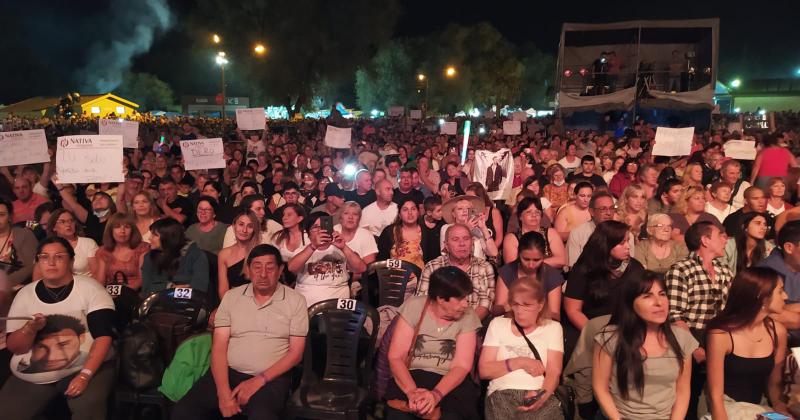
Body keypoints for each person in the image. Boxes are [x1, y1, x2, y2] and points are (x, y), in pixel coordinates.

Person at [171, 244, 308, 420]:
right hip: (228, 373)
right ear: (248, 270)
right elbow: (219, 347)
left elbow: (296, 354)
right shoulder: (231, 297)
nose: (263, 274)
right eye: (257, 267)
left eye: (270, 267)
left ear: (280, 269)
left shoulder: (295, 300)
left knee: (261, 415)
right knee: (183, 411)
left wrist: (258, 381)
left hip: (271, 378)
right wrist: (223, 393)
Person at [0, 237, 115, 420]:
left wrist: (85, 376)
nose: (51, 262)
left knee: (88, 406)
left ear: (71, 260)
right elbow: (16, 347)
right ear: (38, 261)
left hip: (85, 365)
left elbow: (104, 337)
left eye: (59, 257)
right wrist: (29, 329)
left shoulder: (91, 289)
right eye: (44, 257)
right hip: (34, 369)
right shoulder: (25, 294)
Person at [593, 271, 696, 420]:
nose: (659, 302)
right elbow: (600, 388)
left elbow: (683, 390)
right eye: (647, 296)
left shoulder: (681, 338)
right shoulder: (610, 337)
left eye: (662, 294)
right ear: (630, 303)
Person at [385, 266, 481, 420]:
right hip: (412, 376)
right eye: (460, 298)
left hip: (449, 381)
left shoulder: (468, 315)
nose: (465, 304)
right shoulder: (414, 306)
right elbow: (396, 356)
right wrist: (412, 392)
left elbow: (461, 365)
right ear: (441, 298)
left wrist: (436, 395)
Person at [665, 221, 733, 420]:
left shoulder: (725, 271)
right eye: (720, 235)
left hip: (719, 336)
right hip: (690, 337)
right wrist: (694, 349)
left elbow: (730, 310)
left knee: (716, 396)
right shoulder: (681, 270)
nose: (725, 239)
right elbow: (676, 316)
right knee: (690, 397)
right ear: (705, 240)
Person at [705, 267, 791, 419]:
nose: (786, 296)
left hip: (758, 408)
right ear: (762, 296)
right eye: (780, 291)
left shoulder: (778, 332)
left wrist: (780, 409)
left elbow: (774, 384)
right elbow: (715, 395)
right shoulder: (721, 334)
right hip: (724, 407)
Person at [480, 277, 564, 420]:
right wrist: (520, 362)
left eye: (527, 305)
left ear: (540, 304)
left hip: (539, 391)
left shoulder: (553, 328)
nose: (519, 311)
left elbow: (554, 372)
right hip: (502, 392)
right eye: (516, 304)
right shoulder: (498, 324)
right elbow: (484, 370)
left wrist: (541, 395)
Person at [564, 221, 645, 354]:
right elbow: (573, 311)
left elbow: (640, 305)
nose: (628, 247)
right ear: (606, 244)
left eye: (628, 241)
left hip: (623, 328)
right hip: (588, 327)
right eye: (621, 243)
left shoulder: (635, 268)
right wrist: (598, 336)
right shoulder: (583, 269)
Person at [417, 223, 495, 321]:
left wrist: (464, 327)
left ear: (472, 243)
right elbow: (422, 302)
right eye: (455, 239)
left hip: (472, 326)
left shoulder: (484, 267)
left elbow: (485, 305)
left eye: (466, 239)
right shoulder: (432, 267)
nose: (462, 244)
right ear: (446, 245)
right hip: (437, 326)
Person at [287, 212, 367, 307]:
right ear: (308, 234)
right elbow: (291, 268)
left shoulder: (342, 249)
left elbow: (361, 269)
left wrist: (344, 247)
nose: (321, 230)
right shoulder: (302, 251)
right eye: (316, 227)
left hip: (337, 308)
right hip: (307, 307)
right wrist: (313, 246)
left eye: (324, 226)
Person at [495, 232, 564, 321]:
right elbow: (497, 310)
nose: (531, 265)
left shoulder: (552, 275)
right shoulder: (507, 271)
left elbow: (555, 315)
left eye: (536, 260)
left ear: (543, 256)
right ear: (519, 254)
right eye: (526, 259)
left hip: (541, 324)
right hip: (510, 322)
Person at [141, 218, 210, 295]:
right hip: (157, 303)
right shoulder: (149, 257)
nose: (149, 238)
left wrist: (172, 291)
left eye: (155, 235)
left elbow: (199, 289)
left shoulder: (197, 255)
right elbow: (146, 289)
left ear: (168, 237)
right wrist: (171, 287)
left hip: (189, 304)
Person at [566, 192, 634, 268]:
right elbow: (574, 267)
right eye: (603, 209)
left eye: (611, 208)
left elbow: (628, 265)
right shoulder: (577, 234)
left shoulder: (625, 234)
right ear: (592, 212)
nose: (608, 213)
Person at [503, 197, 566, 269]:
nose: (534, 215)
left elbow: (562, 260)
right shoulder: (511, 238)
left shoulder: (551, 233)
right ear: (520, 216)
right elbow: (512, 267)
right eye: (529, 212)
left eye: (537, 212)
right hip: (523, 279)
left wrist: (531, 264)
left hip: (550, 276)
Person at [37, 209, 98, 280]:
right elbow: (38, 276)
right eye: (62, 222)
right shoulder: (47, 247)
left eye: (71, 221)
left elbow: (96, 274)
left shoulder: (88, 243)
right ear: (54, 227)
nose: (68, 224)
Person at [94, 213, 150, 290]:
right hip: (110, 295)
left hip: (136, 294)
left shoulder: (143, 248)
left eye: (127, 227)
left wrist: (123, 292)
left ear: (132, 230)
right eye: (117, 227)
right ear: (110, 230)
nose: (122, 231)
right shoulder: (103, 251)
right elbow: (100, 282)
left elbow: (142, 279)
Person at [217, 210, 262, 300]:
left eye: (250, 226)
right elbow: (223, 290)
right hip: (231, 302)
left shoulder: (260, 253)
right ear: (234, 226)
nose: (244, 230)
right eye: (241, 224)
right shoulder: (223, 254)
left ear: (254, 230)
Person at [439, 196, 498, 261]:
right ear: (453, 214)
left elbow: (493, 253)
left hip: (479, 268)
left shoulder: (477, 230)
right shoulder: (447, 228)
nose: (465, 211)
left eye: (468, 208)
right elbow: (444, 253)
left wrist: (484, 227)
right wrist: (467, 229)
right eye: (460, 209)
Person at [721, 212, 774, 277]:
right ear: (744, 227)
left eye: (765, 224)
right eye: (758, 223)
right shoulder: (728, 245)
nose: (763, 227)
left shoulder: (768, 248)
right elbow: (722, 271)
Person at [465, 183, 504, 250]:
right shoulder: (465, 213)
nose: (469, 201)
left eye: (472, 198)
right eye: (467, 198)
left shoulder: (494, 212)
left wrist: (490, 252)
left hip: (492, 253)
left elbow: (499, 238)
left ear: (480, 198)